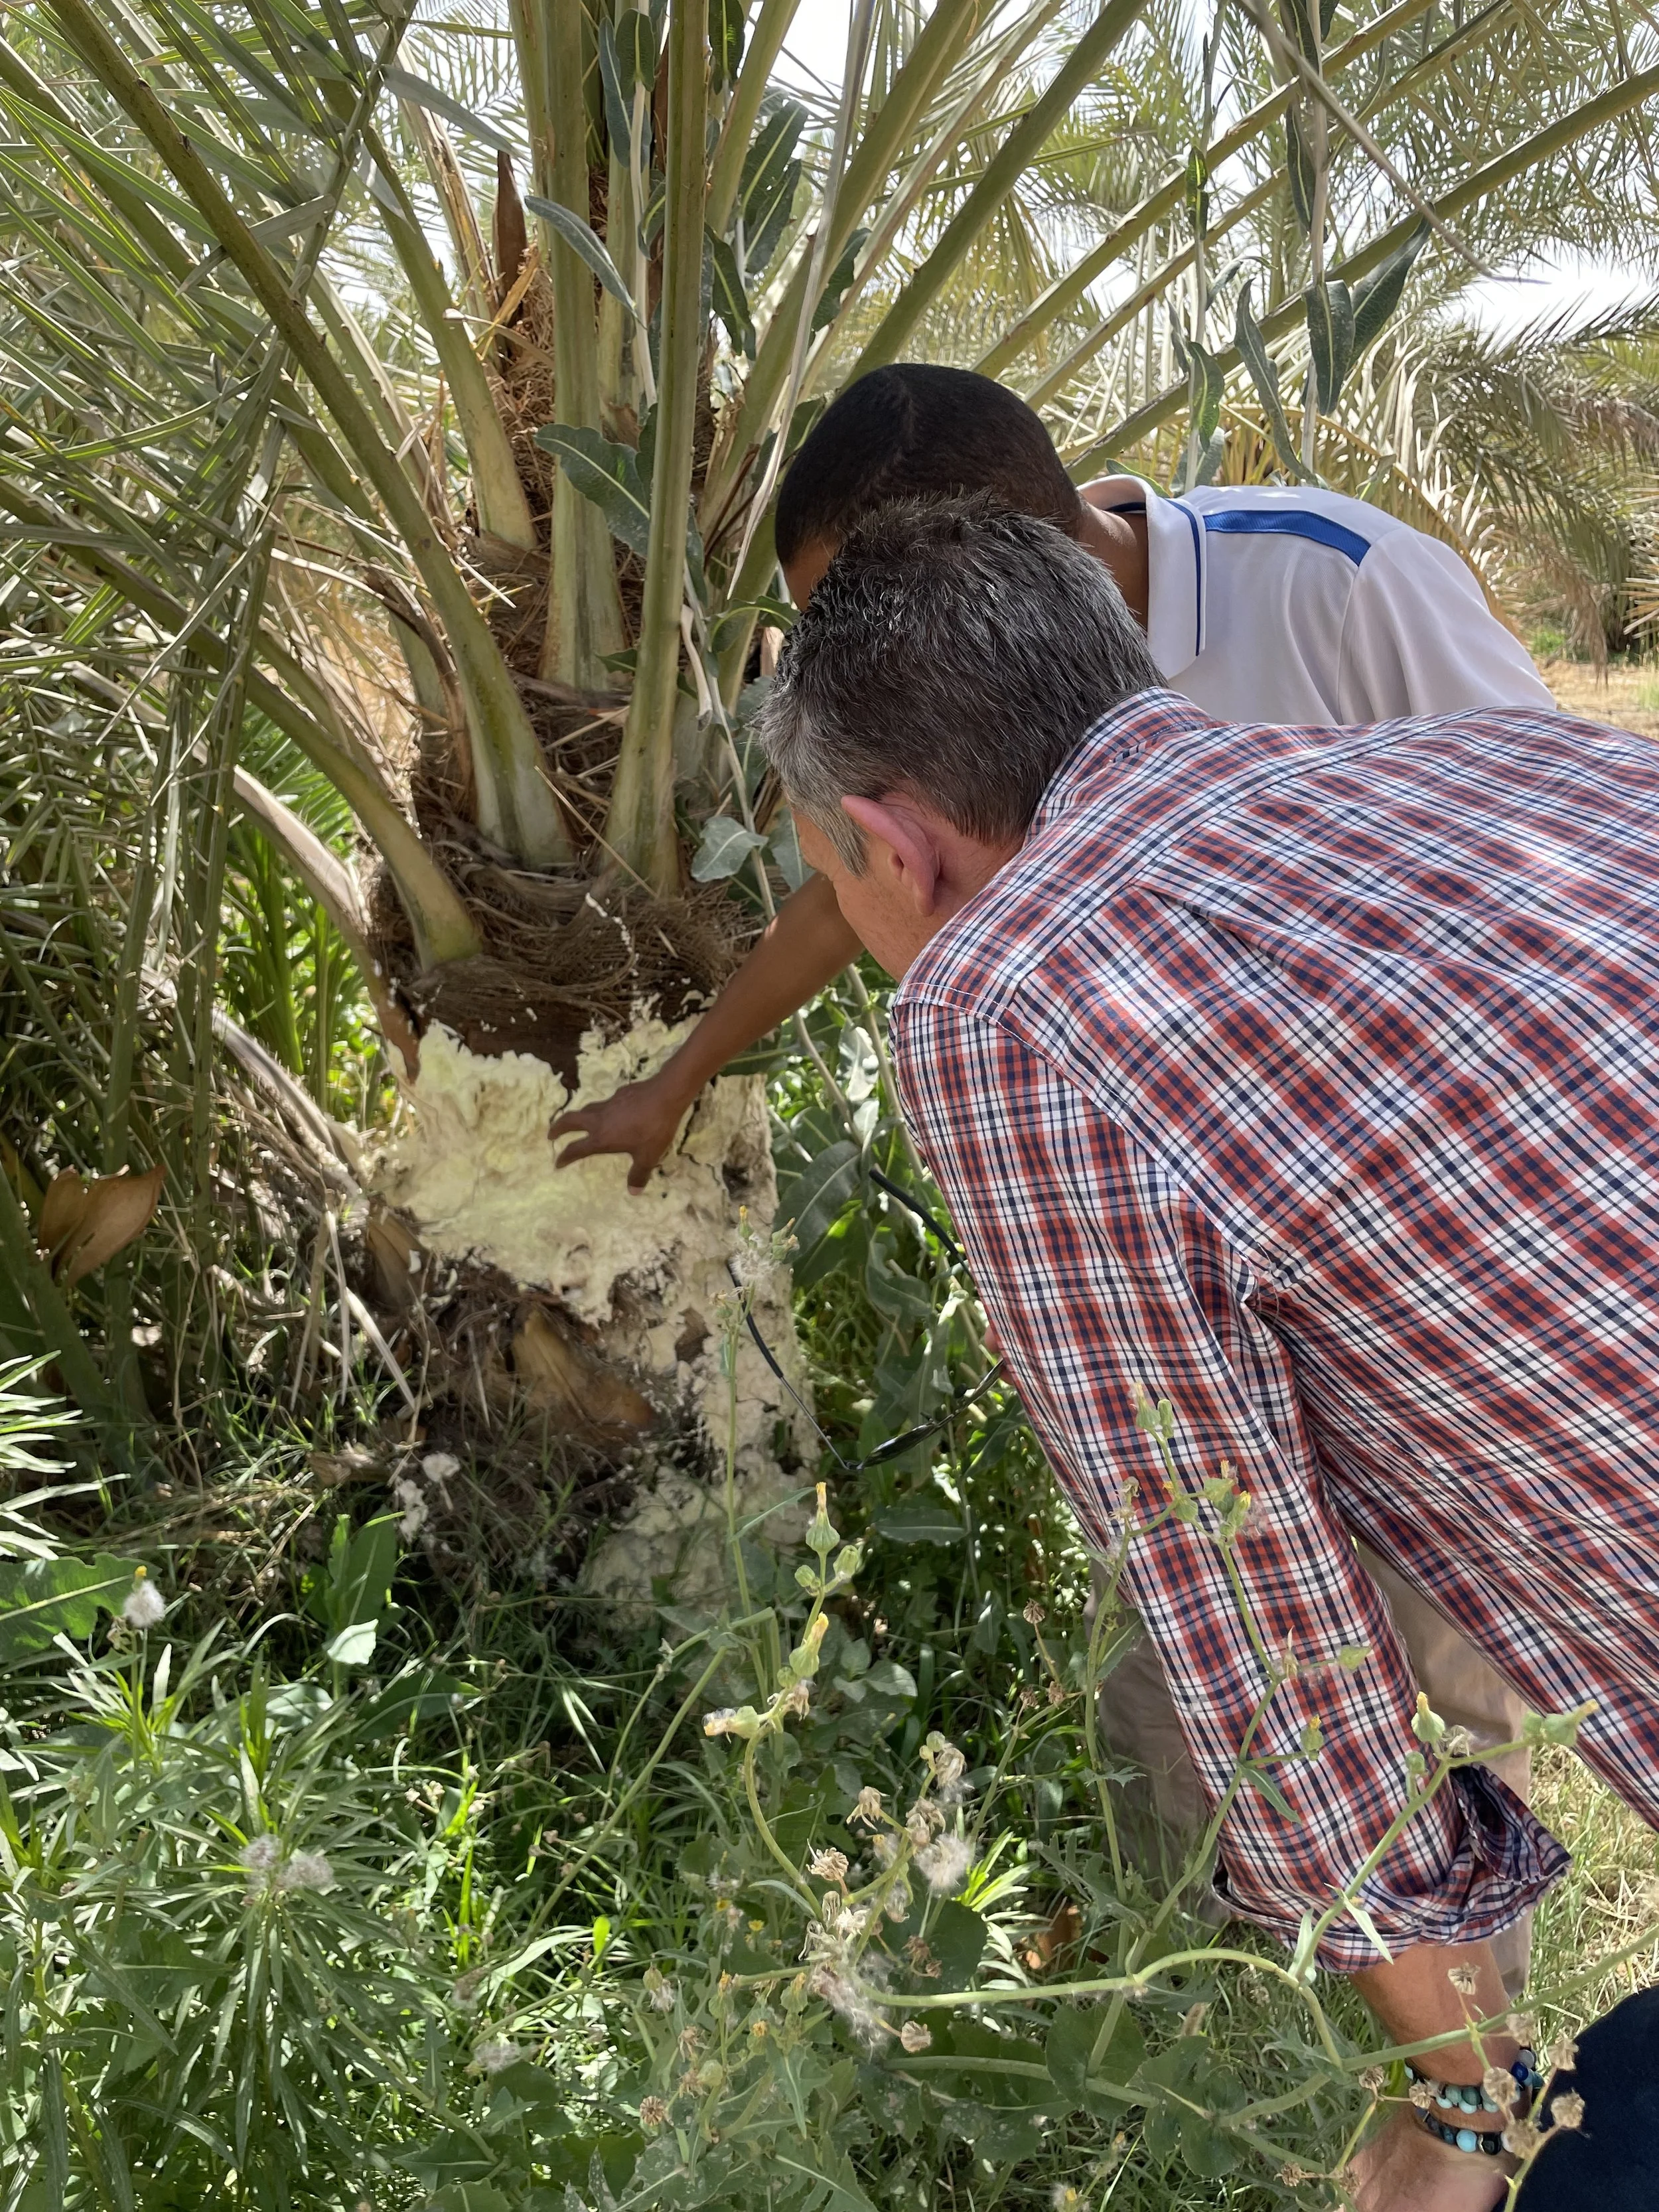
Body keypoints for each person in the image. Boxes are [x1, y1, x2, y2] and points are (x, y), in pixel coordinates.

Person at [551, 364, 1554, 1988]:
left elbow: (1514, 846)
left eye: (884, 625)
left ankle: (1467, 2030)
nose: (864, 663)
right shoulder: (953, 862)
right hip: (1219, 1276)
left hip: (1447, 1277)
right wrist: (676, 1078)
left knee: (1430, 1680)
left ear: (1013, 569)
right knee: (1183, 1660)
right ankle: (1215, 1993)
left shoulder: (1340, 588)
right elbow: (848, 878)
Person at [756, 495, 1659, 2211]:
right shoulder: (1524, 772)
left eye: (836, 886)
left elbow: (1259, 1625)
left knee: (1582, 2154)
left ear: (891, 842)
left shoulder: (1008, 998)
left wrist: (1462, 2098)